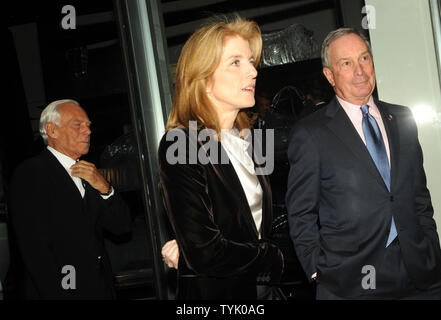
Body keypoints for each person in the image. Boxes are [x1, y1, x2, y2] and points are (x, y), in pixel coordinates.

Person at [286, 28, 441, 299]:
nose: (360, 71)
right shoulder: (311, 133)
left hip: (421, 274)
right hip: (351, 283)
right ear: (329, 75)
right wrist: (317, 271)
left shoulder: (402, 118)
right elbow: (301, 213)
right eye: (346, 63)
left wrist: (430, 245)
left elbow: (419, 196)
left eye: (364, 58)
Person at [158, 14, 284, 300]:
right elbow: (206, 252)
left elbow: (261, 228)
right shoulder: (183, 142)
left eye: (251, 61)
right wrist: (272, 257)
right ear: (203, 81)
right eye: (235, 62)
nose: (252, 72)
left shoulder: (253, 140)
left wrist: (189, 248)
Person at [8, 99, 131, 299]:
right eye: (77, 125)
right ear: (52, 130)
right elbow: (36, 252)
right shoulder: (32, 172)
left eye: (88, 126)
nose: (88, 131)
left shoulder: (90, 174)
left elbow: (122, 226)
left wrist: (105, 188)